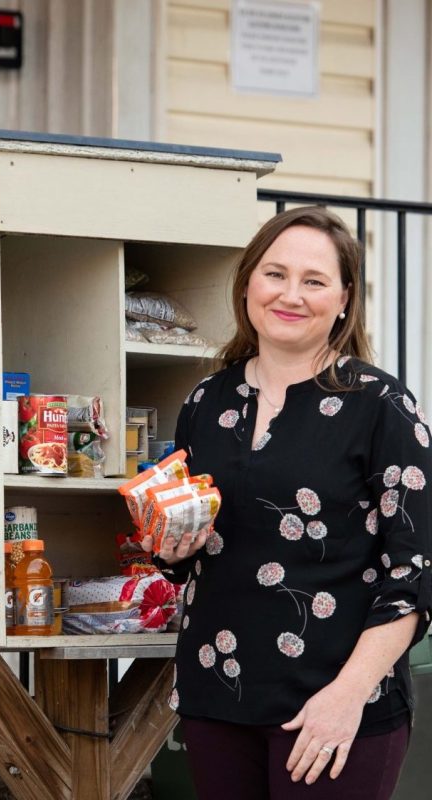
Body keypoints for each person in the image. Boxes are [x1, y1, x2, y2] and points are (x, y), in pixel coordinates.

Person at [155, 206, 432, 799]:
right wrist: (170, 546)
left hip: (333, 704)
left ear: (343, 298)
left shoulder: (380, 404)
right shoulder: (207, 400)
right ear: (248, 282)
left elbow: (416, 572)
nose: (291, 295)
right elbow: (187, 552)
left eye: (314, 281)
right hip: (215, 693)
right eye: (275, 274)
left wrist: (348, 694)